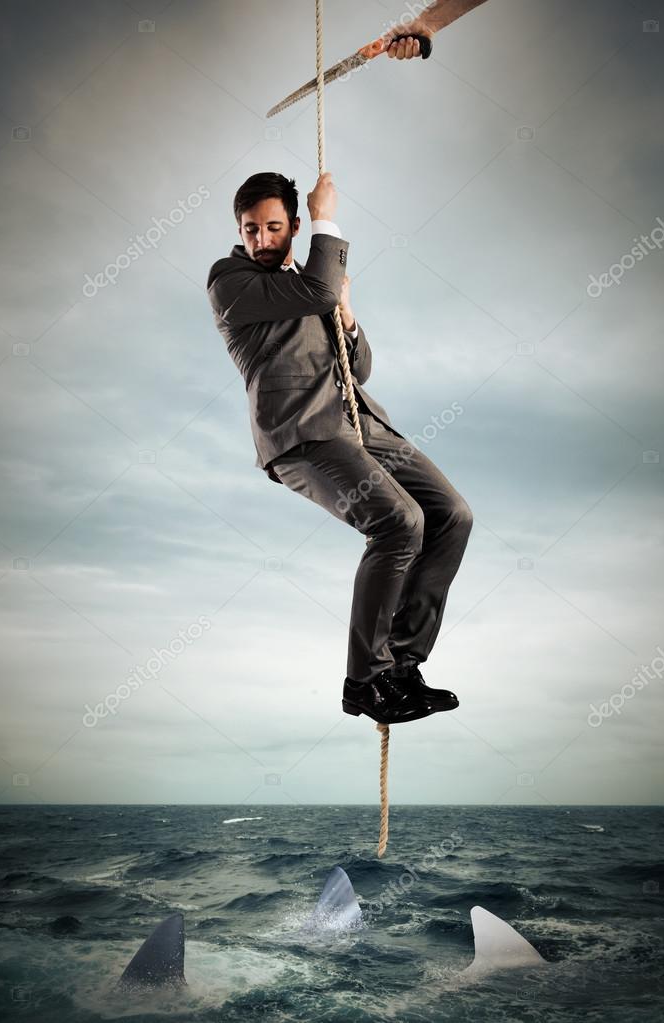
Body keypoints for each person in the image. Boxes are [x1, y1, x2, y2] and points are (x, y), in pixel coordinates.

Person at [206, 166, 473, 727]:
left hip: (362, 425)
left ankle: (402, 666)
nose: (260, 239)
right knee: (398, 522)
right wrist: (329, 217)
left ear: (292, 226)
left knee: (451, 515)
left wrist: (347, 320)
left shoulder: (311, 282)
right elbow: (318, 289)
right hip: (303, 434)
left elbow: (362, 369)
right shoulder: (230, 281)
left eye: (273, 227)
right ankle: (365, 681)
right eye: (250, 228)